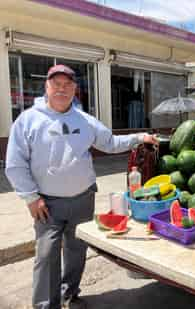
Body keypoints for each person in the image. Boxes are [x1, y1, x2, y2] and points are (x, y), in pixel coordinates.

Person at [5, 64, 158, 309]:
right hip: (47, 203)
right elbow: (14, 164)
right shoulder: (27, 120)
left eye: (67, 85)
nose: (61, 89)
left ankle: (69, 294)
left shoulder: (84, 120)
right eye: (56, 84)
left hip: (83, 198)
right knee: (46, 256)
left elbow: (110, 142)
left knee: (76, 251)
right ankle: (46, 305)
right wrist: (31, 197)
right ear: (47, 86)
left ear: (75, 89)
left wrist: (139, 137)